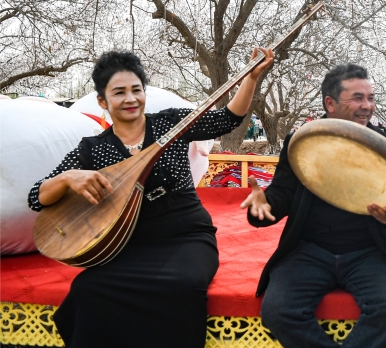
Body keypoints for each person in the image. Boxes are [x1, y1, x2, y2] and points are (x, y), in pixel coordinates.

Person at [27, 48, 273, 348]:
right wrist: (68, 178)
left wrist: (251, 78)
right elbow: (36, 197)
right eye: (119, 92)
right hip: (129, 245)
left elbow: (226, 120)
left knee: (180, 285)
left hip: (186, 237)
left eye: (136, 90)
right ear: (102, 101)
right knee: (88, 288)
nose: (130, 99)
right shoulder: (93, 148)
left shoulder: (170, 124)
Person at [240, 64, 386, 348]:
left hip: (368, 251)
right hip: (308, 250)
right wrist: (262, 205)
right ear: (330, 103)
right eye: (357, 98)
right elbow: (280, 198)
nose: (367, 106)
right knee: (279, 312)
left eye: (370, 98)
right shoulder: (302, 141)